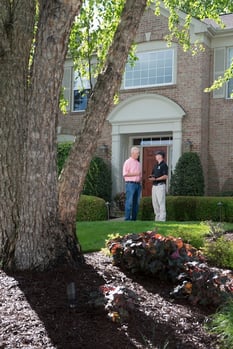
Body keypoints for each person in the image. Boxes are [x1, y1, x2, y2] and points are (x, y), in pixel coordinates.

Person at [123, 146, 142, 220]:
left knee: (136, 203)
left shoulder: (138, 163)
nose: (138, 155)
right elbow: (125, 174)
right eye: (137, 153)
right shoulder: (128, 162)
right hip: (130, 184)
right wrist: (135, 174)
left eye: (138, 153)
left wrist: (139, 178)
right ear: (132, 153)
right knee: (129, 202)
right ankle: (127, 219)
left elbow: (139, 174)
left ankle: (134, 219)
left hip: (138, 184)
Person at [148, 150, 168, 221]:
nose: (155, 156)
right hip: (154, 186)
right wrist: (151, 177)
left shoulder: (164, 165)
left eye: (156, 155)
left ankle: (162, 219)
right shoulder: (155, 165)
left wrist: (156, 179)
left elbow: (165, 176)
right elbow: (153, 174)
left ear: (160, 156)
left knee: (161, 202)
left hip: (160, 186)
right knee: (155, 203)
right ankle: (157, 218)